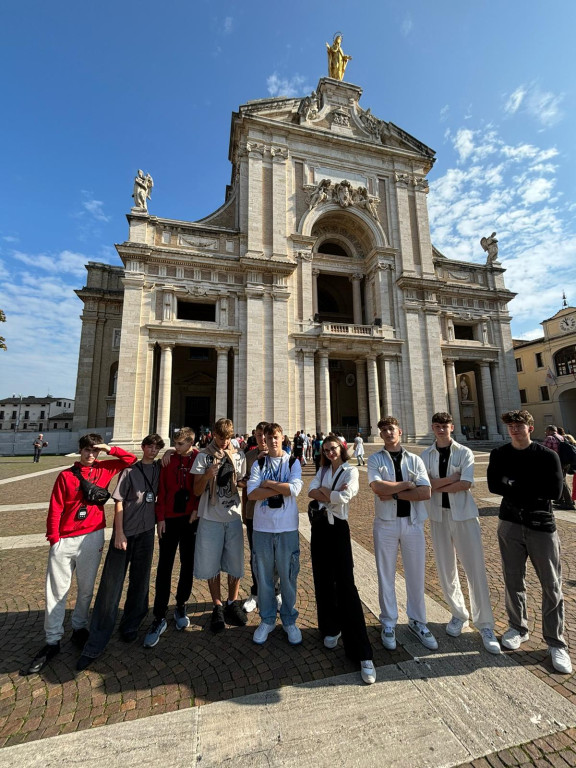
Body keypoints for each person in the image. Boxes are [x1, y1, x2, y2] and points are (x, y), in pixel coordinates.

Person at [23, 434, 137, 675]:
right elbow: (55, 507)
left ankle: (79, 628)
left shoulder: (103, 470)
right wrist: (54, 539)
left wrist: (109, 448)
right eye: (87, 450)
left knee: (86, 589)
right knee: (56, 591)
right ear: (80, 451)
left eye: (94, 451)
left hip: (92, 536)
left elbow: (130, 459)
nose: (90, 455)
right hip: (64, 539)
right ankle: (52, 640)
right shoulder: (65, 476)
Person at [487, 410, 572, 674]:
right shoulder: (499, 454)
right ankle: (517, 627)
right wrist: (525, 485)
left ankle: (556, 642)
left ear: (530, 427)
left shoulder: (548, 456)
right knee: (513, 579)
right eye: (511, 425)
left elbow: (554, 491)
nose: (514, 429)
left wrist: (512, 483)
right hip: (510, 523)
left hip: (541, 526)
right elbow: (493, 485)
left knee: (552, 584)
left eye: (519, 425)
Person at [76, 434, 165, 669]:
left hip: (146, 532)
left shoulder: (159, 469)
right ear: (143, 447)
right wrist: (119, 533)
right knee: (110, 585)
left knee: (140, 581)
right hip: (124, 533)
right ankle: (96, 640)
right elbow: (118, 502)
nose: (153, 450)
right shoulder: (130, 470)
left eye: (157, 447)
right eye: (150, 446)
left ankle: (131, 625)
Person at [421, 412, 500, 655]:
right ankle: (458, 613)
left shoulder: (464, 452)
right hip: (438, 516)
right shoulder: (425, 455)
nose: (441, 429)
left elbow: (465, 484)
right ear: (433, 428)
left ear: (451, 427)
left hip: (464, 516)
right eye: (437, 426)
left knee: (474, 568)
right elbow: (425, 487)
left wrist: (439, 483)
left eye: (444, 426)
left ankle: (485, 624)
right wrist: (450, 479)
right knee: (446, 569)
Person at [308, 436, 375, 685]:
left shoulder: (351, 471)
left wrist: (325, 494)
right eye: (326, 450)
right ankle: (330, 628)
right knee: (323, 579)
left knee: (346, 585)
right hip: (319, 528)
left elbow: (345, 497)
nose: (330, 452)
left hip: (338, 529)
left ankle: (362, 652)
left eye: (333, 448)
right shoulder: (323, 469)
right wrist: (330, 493)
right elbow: (310, 492)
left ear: (342, 449)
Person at [367, 416, 436, 652]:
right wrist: (407, 485)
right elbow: (377, 488)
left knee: (416, 574)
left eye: (391, 429)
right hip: (385, 523)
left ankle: (418, 621)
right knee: (385, 573)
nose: (388, 433)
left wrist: (393, 492)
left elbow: (426, 492)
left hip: (412, 522)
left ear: (400, 431)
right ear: (381, 434)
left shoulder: (415, 459)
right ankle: (388, 622)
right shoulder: (375, 459)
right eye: (384, 430)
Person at [143, 427, 200, 648]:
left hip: (190, 519)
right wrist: (160, 518)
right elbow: (162, 491)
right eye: (174, 444)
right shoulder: (168, 460)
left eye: (179, 444)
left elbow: (200, 488)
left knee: (188, 564)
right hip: (169, 519)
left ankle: (181, 604)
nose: (176, 447)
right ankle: (159, 615)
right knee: (165, 566)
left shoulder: (198, 458)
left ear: (190, 443)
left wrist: (195, 509)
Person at [247, 423, 303, 645]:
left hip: (287, 527)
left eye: (276, 437)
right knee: (263, 577)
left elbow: (295, 489)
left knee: (289, 577)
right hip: (262, 529)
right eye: (269, 438)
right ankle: (267, 619)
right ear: (265, 440)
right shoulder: (259, 462)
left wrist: (267, 484)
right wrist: (281, 486)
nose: (273, 441)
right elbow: (251, 493)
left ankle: (289, 620)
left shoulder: (292, 462)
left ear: (283, 438)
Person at [192, 419, 247, 633]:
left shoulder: (238, 455)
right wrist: (207, 475)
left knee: (235, 563)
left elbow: (242, 480)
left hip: (233, 516)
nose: (224, 442)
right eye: (221, 437)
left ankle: (232, 602)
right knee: (211, 564)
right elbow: (196, 491)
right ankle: (217, 605)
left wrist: (243, 482)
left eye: (228, 437)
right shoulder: (203, 456)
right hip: (211, 517)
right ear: (213, 434)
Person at [241, 421, 269, 613]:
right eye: (259, 435)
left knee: (275, 555)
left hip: (275, 515)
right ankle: (257, 592)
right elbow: (241, 482)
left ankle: (275, 592)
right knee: (255, 555)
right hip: (252, 512)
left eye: (265, 435)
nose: (262, 438)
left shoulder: (282, 456)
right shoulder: (249, 456)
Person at [543, 425, 576, 510]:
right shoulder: (561, 437)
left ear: (549, 430)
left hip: (557, 462)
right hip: (565, 462)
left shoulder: (549, 438)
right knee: (562, 480)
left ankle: (568, 503)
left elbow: (544, 451)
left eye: (546, 431)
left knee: (562, 482)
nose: (545, 433)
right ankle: (562, 500)